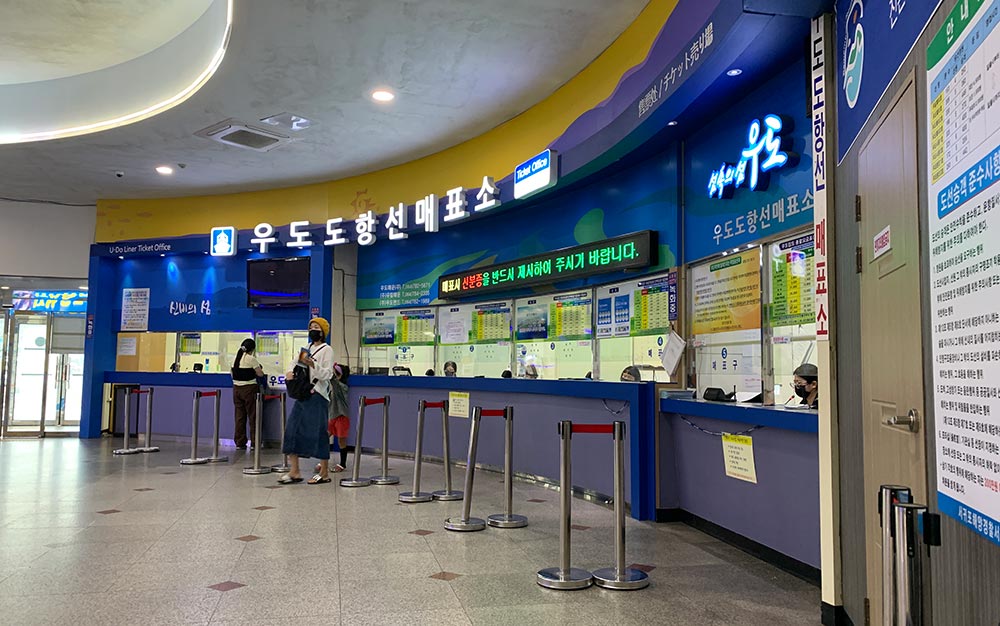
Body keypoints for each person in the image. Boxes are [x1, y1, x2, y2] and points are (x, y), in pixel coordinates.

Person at [278, 317, 335, 484]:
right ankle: (294, 471)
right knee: (292, 430)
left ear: (323, 331)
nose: (313, 330)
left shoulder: (327, 350)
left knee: (319, 433)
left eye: (317, 327)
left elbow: (327, 374)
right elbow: (293, 363)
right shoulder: (306, 349)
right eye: (311, 327)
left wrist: (312, 364)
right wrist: (289, 372)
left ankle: (324, 472)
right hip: (303, 395)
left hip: (317, 396)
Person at [231, 338, 264, 450]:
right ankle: (255, 442)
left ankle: (240, 442)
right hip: (249, 389)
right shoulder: (251, 359)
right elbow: (260, 374)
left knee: (239, 417)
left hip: (236, 390)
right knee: (253, 416)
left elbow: (232, 375)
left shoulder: (235, 359)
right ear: (252, 349)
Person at [328, 363, 352, 472]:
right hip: (332, 415)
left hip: (341, 416)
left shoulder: (343, 387)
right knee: (324, 437)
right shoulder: (332, 386)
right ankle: (323, 461)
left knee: (341, 441)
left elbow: (333, 381)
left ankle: (342, 464)